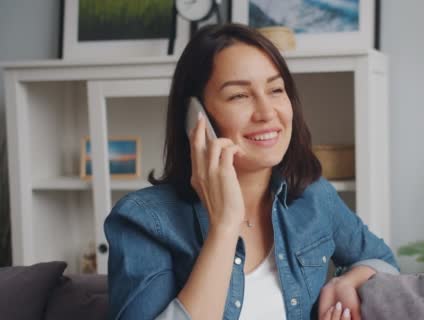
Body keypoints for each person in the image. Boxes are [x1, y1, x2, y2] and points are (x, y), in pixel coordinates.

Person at [104, 23, 399, 320]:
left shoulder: (312, 196)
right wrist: (224, 227)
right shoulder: (144, 221)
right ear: (197, 118)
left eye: (275, 90)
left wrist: (346, 281)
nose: (267, 113)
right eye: (239, 96)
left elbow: (382, 260)